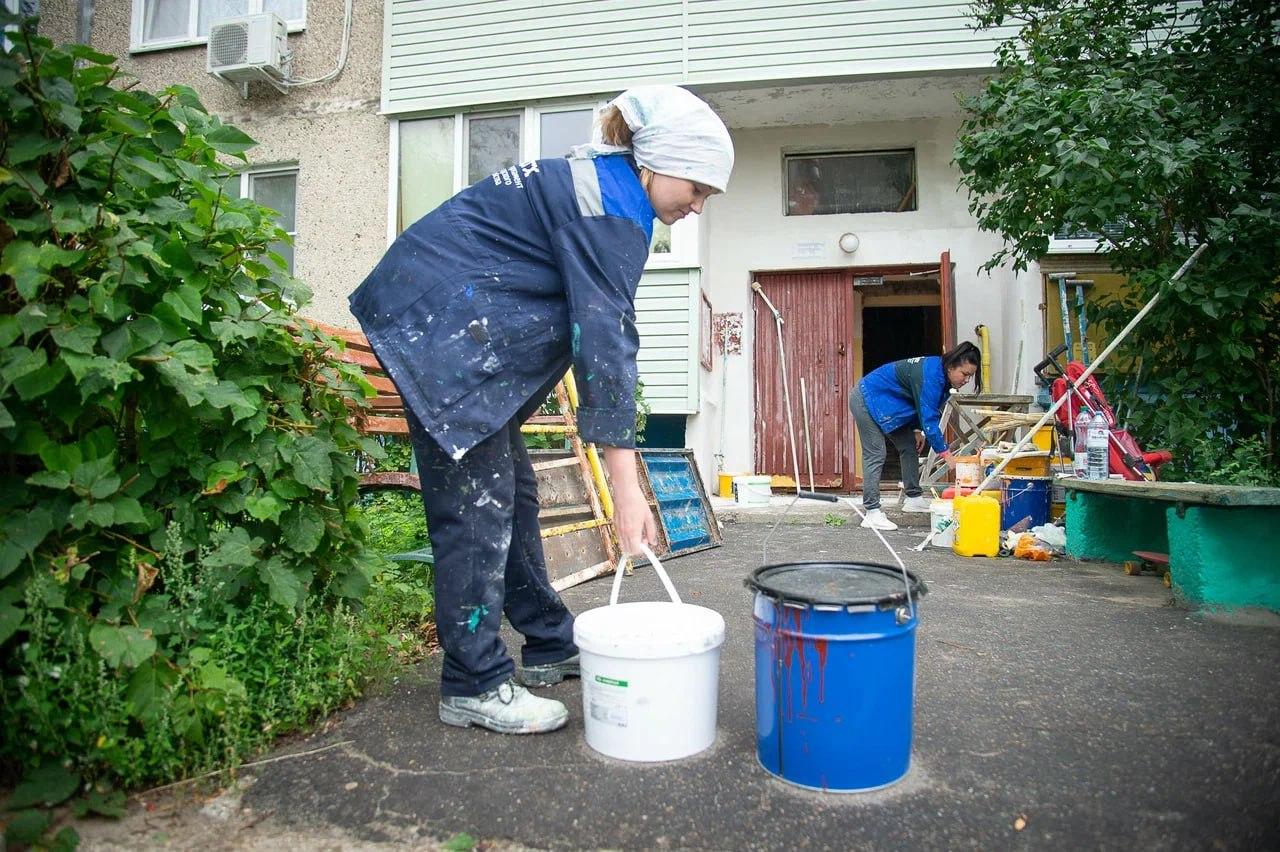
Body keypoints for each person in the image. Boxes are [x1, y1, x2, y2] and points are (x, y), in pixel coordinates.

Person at [348, 86, 734, 735]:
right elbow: (605, 340)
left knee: (513, 491)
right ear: (660, 161)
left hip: (448, 323)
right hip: (441, 332)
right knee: (479, 504)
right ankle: (473, 681)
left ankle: (550, 641)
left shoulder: (605, 188)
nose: (696, 206)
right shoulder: (612, 206)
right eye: (696, 187)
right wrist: (626, 488)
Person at [849, 342, 982, 531]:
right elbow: (930, 419)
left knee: (909, 446)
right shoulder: (932, 375)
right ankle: (871, 512)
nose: (967, 380)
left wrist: (917, 430)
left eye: (970, 376)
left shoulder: (942, 376)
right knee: (876, 453)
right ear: (951, 366)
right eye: (965, 374)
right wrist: (946, 454)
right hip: (865, 397)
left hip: (889, 403)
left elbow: (926, 407)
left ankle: (913, 498)